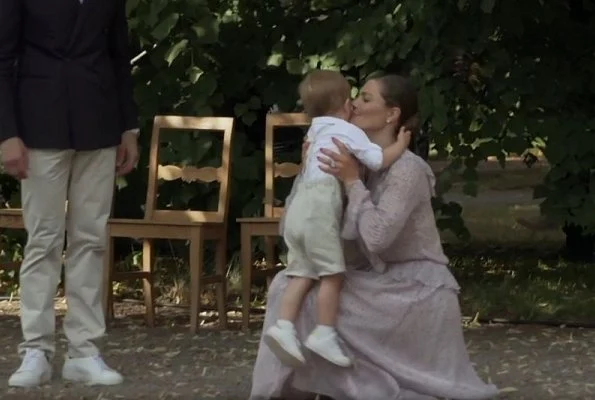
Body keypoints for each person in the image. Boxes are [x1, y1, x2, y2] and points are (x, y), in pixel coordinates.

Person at [250, 74, 499, 399]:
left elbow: (376, 238)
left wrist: (352, 183)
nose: (353, 103)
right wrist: (311, 172)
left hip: (413, 286)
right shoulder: (350, 159)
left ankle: (344, 385)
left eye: (366, 99)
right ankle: (297, 388)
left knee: (318, 295)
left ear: (391, 114)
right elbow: (309, 230)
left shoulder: (407, 169)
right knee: (289, 283)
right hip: (373, 278)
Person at [0, 0, 139, 387]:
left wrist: (129, 126)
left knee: (90, 239)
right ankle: (35, 350)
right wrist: (7, 132)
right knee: (43, 239)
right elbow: (2, 56)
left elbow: (118, 56)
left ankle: (84, 350)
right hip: (38, 125)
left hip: (99, 122)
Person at [264, 70, 411, 369]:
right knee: (332, 274)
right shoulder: (347, 132)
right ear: (343, 105)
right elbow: (378, 160)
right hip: (319, 209)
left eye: (365, 98)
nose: (355, 105)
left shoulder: (315, 131)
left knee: (302, 273)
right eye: (353, 98)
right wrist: (401, 147)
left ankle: (284, 326)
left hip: (298, 211)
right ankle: (324, 332)